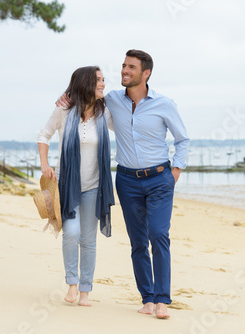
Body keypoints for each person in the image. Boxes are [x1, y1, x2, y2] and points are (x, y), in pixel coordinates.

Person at [58, 50, 190, 319]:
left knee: (158, 234)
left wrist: (176, 170)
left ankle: (163, 299)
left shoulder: (164, 104)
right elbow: (83, 94)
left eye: (131, 67)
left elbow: (182, 139)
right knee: (138, 241)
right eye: (123, 66)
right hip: (127, 180)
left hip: (160, 179)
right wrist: (66, 96)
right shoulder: (112, 100)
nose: (124, 71)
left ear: (146, 73)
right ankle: (148, 298)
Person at [38, 66, 115, 307]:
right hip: (66, 185)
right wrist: (45, 165)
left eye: (103, 80)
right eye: (99, 80)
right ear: (85, 84)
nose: (103, 84)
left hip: (94, 186)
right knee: (71, 233)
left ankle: (84, 291)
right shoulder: (64, 110)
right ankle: (72, 282)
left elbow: (127, 126)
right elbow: (44, 135)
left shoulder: (106, 113)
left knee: (89, 239)